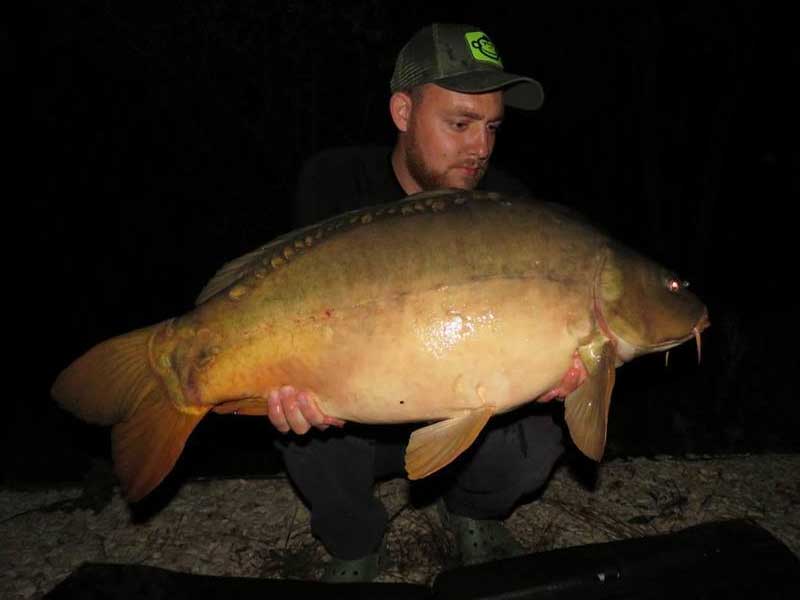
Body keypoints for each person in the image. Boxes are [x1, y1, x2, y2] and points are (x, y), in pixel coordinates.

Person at [266, 23, 564, 582]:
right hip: (363, 418)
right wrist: (289, 378)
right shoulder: (335, 184)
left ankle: (472, 510)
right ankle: (354, 541)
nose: (481, 148)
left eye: (492, 127)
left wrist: (551, 368)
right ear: (403, 112)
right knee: (300, 426)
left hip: (471, 415)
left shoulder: (509, 206)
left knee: (541, 434)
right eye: (460, 124)